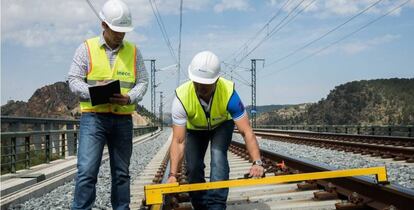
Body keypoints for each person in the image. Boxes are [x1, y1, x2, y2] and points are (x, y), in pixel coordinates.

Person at [67, 0, 148, 209]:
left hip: (122, 119)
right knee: (86, 172)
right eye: (116, 30)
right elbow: (73, 80)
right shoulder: (85, 49)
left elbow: (143, 82)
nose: (121, 35)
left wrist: (129, 98)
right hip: (93, 118)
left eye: (123, 31)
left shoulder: (134, 52)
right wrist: (94, 92)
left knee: (122, 173)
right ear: (104, 24)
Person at [168, 51, 264, 210]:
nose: (200, 87)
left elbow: (246, 131)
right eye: (197, 82)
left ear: (217, 80)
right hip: (195, 130)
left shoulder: (229, 93)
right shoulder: (181, 96)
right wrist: (172, 175)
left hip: (221, 126)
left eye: (206, 84)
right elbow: (178, 141)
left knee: (218, 156)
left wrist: (257, 162)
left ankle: (216, 205)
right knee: (193, 167)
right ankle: (200, 204)